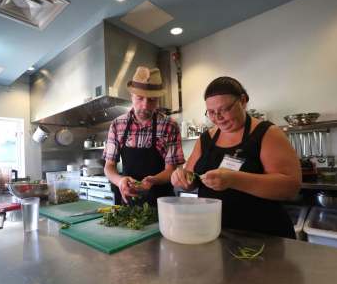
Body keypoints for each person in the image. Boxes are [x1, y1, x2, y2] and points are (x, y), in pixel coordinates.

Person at [171, 76, 301, 238]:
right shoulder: (205, 139)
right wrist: (182, 179)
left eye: (224, 109)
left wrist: (234, 179)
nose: (218, 118)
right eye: (211, 112)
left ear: (243, 101)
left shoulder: (267, 133)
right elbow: (191, 179)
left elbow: (290, 187)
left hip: (263, 235)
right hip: (217, 232)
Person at [103, 66, 185, 205]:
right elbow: (109, 167)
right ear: (131, 96)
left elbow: (170, 170)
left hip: (162, 202)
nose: (145, 105)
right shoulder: (118, 125)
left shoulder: (169, 126)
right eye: (140, 98)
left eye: (152, 100)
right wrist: (120, 180)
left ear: (158, 99)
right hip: (128, 200)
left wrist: (153, 180)